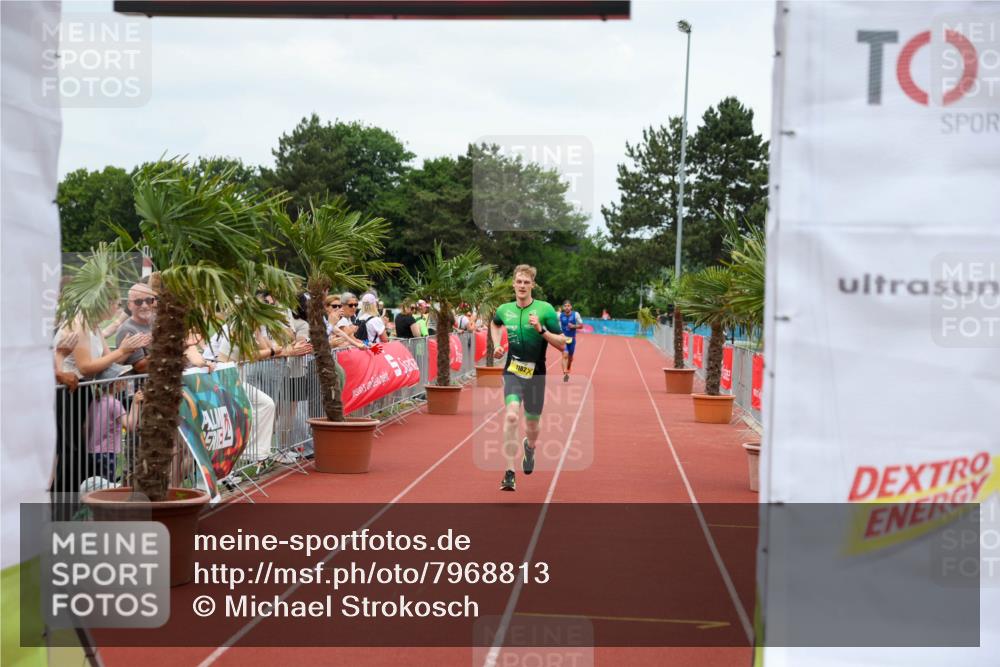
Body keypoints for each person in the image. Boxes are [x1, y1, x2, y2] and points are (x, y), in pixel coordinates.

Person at [490, 264, 565, 491]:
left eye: (526, 282)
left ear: (533, 285)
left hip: (536, 374)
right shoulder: (504, 309)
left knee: (532, 424)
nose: (522, 286)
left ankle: (530, 447)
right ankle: (509, 472)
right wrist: (497, 345)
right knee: (512, 416)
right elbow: (494, 324)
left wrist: (541, 330)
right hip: (513, 369)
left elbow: (562, 343)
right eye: (519, 282)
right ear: (513, 284)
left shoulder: (545, 310)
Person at [86, 382, 143, 484]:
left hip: (92, 452)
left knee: (94, 486)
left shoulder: (94, 402)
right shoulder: (114, 403)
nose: (125, 382)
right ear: (116, 384)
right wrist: (135, 403)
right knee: (105, 487)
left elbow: (86, 427)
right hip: (107, 453)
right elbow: (130, 425)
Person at [116, 282, 158, 373]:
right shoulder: (128, 330)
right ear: (129, 305)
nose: (144, 306)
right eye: (138, 302)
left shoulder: (160, 320)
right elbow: (140, 367)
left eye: (148, 300)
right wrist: (162, 347)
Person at [559, 300, 584, 382]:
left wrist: (573, 326)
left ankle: (568, 367)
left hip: (572, 339)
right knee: (564, 355)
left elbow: (581, 326)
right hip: (563, 339)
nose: (567, 307)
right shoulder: (560, 315)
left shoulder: (575, 314)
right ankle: (565, 374)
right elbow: (555, 325)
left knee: (570, 358)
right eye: (565, 306)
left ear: (571, 307)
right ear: (563, 307)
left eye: (568, 306)